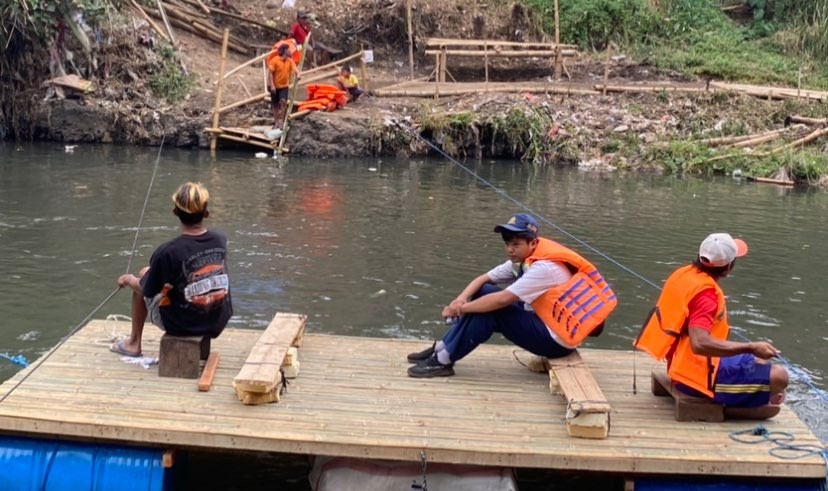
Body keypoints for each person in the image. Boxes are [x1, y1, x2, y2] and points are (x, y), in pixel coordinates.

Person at [407, 213, 617, 378]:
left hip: (556, 342)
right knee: (484, 293)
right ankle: (442, 348)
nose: (510, 249)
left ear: (533, 243)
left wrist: (459, 310)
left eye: (515, 244)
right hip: (543, 323)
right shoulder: (525, 258)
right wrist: (460, 300)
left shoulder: (544, 268)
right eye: (507, 244)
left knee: (492, 310)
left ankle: (443, 361)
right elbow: (483, 279)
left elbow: (502, 300)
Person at [633, 233, 788, 419]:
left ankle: (754, 396)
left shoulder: (684, 274)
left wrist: (753, 351)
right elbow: (699, 343)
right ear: (728, 268)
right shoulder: (706, 296)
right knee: (780, 377)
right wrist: (751, 346)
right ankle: (729, 408)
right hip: (697, 378)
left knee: (762, 361)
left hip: (680, 364)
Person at [111, 182, 233, 357]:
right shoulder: (220, 239)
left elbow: (147, 289)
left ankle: (134, 344)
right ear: (206, 212)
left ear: (175, 212)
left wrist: (128, 280)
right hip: (216, 320)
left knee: (142, 277)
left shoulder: (167, 252)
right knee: (150, 273)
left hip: (183, 325)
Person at [267, 44, 300, 129]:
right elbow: (270, 73)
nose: (290, 52)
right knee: (275, 104)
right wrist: (272, 85)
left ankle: (281, 120)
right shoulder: (274, 60)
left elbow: (295, 69)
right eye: (289, 50)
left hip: (284, 86)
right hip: (275, 86)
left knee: (283, 101)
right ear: (285, 51)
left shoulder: (290, 61)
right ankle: (276, 121)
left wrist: (297, 74)